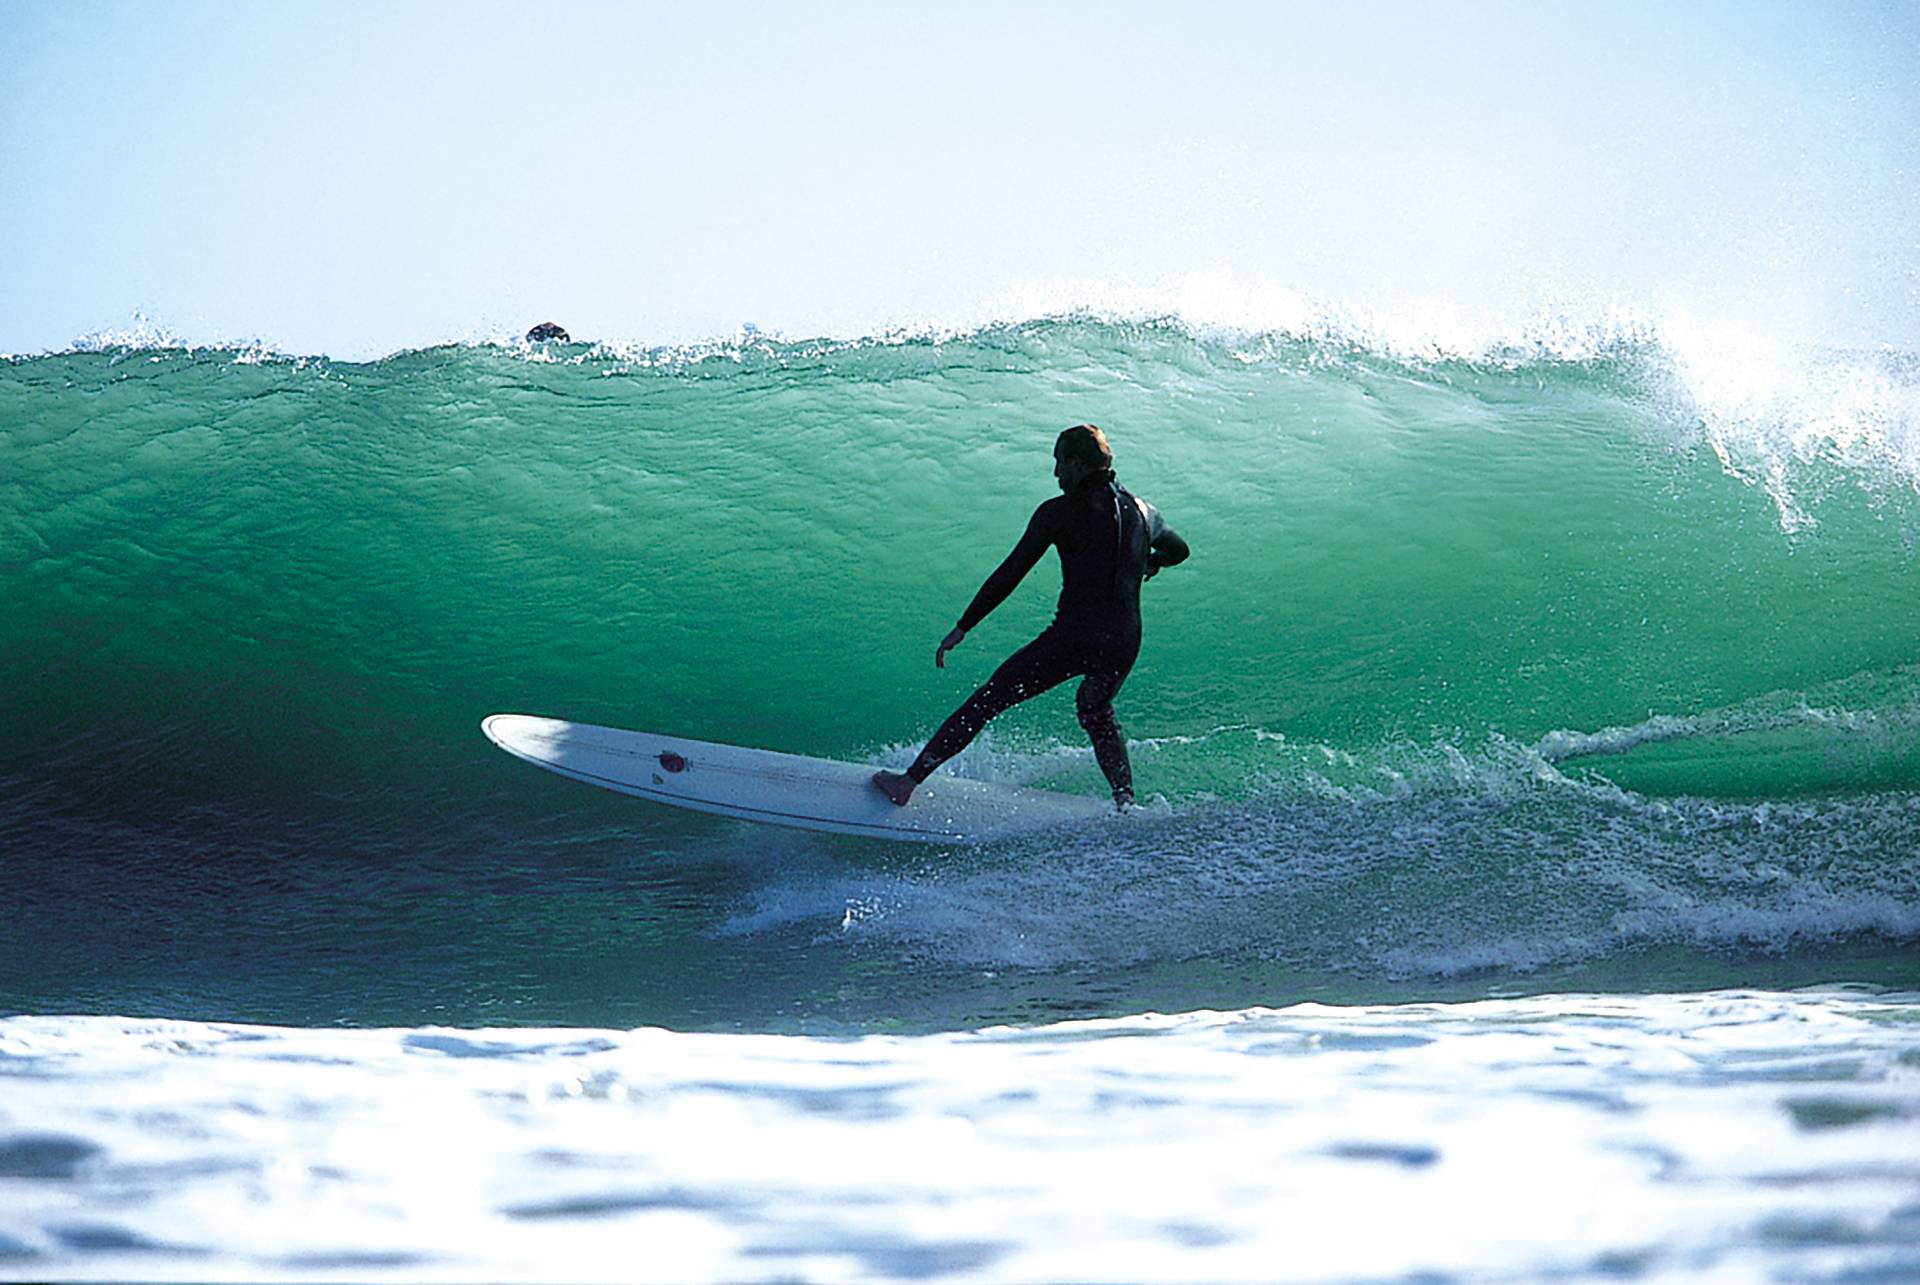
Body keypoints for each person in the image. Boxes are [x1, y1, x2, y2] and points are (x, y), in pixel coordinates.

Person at [873, 424, 1189, 811]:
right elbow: (1179, 550)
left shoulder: (1060, 512)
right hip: (1125, 639)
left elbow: (1012, 571)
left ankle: (907, 783)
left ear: (1076, 463)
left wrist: (963, 626)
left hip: (1075, 638)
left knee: (988, 700)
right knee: (1096, 710)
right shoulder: (1144, 512)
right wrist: (1150, 562)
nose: (1056, 474)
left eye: (1059, 464)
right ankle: (1125, 802)